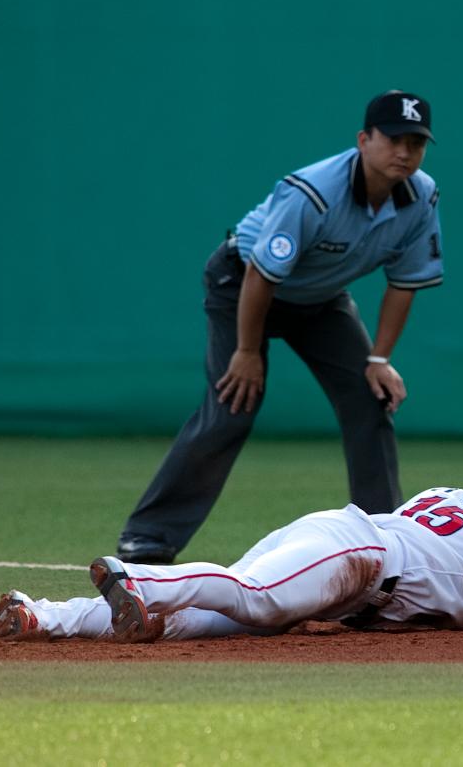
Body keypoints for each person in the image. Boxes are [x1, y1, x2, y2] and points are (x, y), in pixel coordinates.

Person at [116, 91, 445, 565]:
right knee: (233, 405)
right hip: (242, 286)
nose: (405, 152)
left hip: (319, 299)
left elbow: (404, 282)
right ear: (363, 140)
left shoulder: (421, 196)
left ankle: (385, 544)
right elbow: (260, 275)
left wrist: (378, 360)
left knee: (371, 398)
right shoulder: (312, 192)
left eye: (416, 142)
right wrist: (247, 351)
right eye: (394, 139)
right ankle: (148, 539)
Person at [0, 440, 463, 642]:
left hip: (339, 543)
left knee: (204, 622)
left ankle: (41, 614)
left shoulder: (447, 495)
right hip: (362, 558)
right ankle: (141, 577)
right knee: (259, 601)